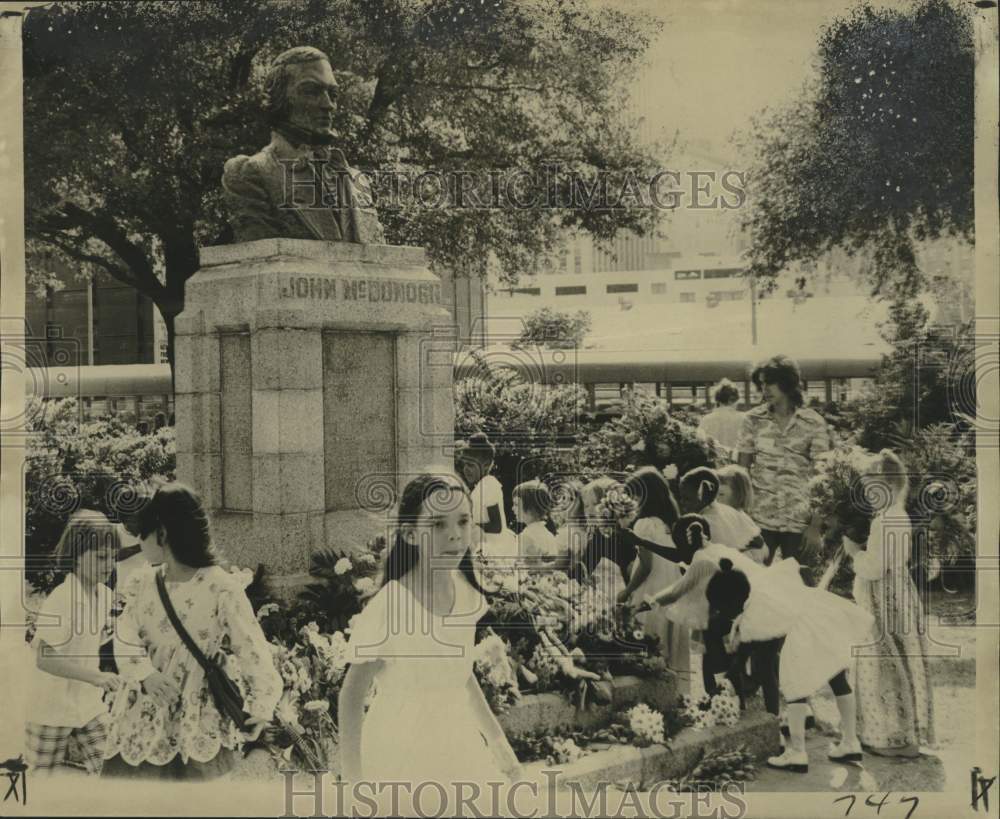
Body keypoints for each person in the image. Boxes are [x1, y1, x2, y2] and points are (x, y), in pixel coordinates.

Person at [338, 471, 520, 809]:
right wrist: (354, 784)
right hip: (400, 748)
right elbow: (352, 695)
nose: (454, 535)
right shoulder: (393, 605)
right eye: (437, 525)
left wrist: (498, 744)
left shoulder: (466, 594)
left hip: (456, 740)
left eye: (463, 521)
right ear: (410, 534)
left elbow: (461, 675)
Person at [102, 483, 282, 780]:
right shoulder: (141, 582)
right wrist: (145, 673)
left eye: (142, 533)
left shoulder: (221, 587)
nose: (138, 541)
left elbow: (251, 648)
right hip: (142, 711)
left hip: (197, 715)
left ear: (162, 533)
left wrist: (261, 707)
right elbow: (125, 633)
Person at [705, 557, 874, 774]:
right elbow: (797, 568)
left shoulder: (754, 615)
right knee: (837, 677)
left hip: (801, 632)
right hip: (821, 617)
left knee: (794, 687)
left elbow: (757, 654)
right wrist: (731, 674)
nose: (723, 614)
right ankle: (850, 742)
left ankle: (797, 752)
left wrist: (729, 677)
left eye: (722, 609)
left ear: (732, 602)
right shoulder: (760, 586)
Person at [222, 46, 384, 244]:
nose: (328, 105)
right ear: (280, 99)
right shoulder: (251, 173)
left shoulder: (358, 182)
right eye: (311, 92)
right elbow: (266, 257)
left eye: (332, 94)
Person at [844, 449, 935, 757]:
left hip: (882, 598)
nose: (869, 496)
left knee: (881, 661)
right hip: (900, 594)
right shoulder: (900, 516)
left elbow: (874, 567)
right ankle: (909, 735)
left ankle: (889, 737)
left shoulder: (883, 522)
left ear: (892, 486)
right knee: (903, 659)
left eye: (873, 489)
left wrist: (854, 552)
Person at [25, 511, 121, 776]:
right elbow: (43, 657)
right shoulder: (62, 598)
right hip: (49, 708)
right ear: (76, 556)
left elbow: (102, 638)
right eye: (101, 557)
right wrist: (95, 676)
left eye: (113, 557)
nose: (109, 564)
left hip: (90, 706)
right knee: (37, 785)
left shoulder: (105, 595)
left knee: (112, 768)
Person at [637, 515, 766, 701]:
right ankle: (727, 697)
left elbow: (675, 592)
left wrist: (644, 605)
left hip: (719, 615)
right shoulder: (716, 549)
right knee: (721, 659)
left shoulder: (700, 560)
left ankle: (718, 698)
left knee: (714, 659)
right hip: (735, 611)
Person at [736, 354, 830, 568]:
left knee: (798, 589)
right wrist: (741, 518)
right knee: (755, 584)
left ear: (787, 382)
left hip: (799, 521)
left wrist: (815, 526)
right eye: (761, 384)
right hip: (759, 519)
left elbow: (822, 477)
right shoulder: (752, 420)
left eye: (770, 382)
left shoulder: (813, 422)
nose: (764, 389)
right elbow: (741, 471)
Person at [620, 467, 690, 678]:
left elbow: (646, 565)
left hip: (651, 584)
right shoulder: (671, 523)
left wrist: (628, 590)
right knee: (666, 630)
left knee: (649, 630)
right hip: (670, 582)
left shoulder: (644, 524)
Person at [678, 467, 768, 564]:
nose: (716, 499)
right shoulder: (713, 512)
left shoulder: (720, 519)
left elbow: (759, 545)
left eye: (721, 494)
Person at [456, 432, 518, 560]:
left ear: (485, 466)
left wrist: (470, 525)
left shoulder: (489, 484)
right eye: (465, 465)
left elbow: (496, 526)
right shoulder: (478, 488)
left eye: (471, 465)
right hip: (482, 548)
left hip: (493, 549)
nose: (466, 469)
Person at [511, 480, 562, 561]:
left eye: (516, 504)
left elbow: (518, 564)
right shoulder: (548, 534)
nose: (512, 508)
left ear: (531, 509)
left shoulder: (526, 536)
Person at [698, 378, 744, 457]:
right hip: (738, 461)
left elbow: (701, 442)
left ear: (717, 400)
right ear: (734, 399)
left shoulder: (706, 419)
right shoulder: (744, 417)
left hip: (715, 462)